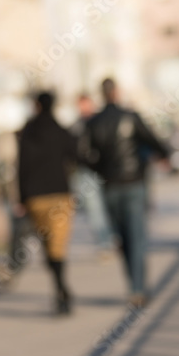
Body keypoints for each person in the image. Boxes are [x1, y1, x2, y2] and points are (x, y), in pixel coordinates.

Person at [82, 78, 170, 308]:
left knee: (122, 238)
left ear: (102, 94)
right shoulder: (130, 116)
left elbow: (83, 155)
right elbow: (152, 139)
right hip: (133, 183)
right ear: (116, 92)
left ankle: (134, 284)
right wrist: (164, 155)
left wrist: (101, 169)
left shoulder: (93, 122)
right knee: (137, 236)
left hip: (110, 186)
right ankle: (137, 288)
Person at [17, 91, 78, 315]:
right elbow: (76, 155)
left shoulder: (28, 132)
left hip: (35, 198)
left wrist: (21, 198)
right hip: (59, 195)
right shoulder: (60, 130)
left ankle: (60, 289)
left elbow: (21, 167)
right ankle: (61, 289)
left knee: (46, 244)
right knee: (58, 245)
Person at [70, 93, 114, 256]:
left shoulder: (101, 121)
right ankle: (104, 243)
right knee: (94, 208)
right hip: (86, 172)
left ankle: (113, 237)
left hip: (105, 169)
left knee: (110, 205)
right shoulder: (76, 126)